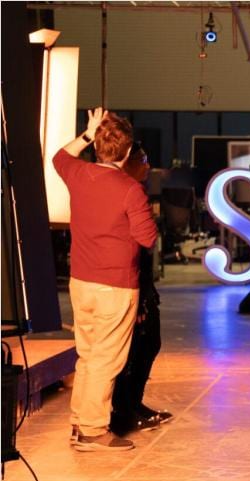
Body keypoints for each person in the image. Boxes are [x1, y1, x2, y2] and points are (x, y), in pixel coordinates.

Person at [54, 108, 157, 451]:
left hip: (81, 280)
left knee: (88, 355)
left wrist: (87, 132)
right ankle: (93, 430)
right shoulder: (130, 189)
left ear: (96, 146)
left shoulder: (79, 174)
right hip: (116, 286)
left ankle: (80, 422)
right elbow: (147, 238)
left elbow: (59, 156)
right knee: (106, 359)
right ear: (127, 152)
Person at [110, 142, 174, 435]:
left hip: (142, 281)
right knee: (137, 347)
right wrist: (139, 295)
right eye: (143, 160)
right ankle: (124, 410)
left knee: (149, 344)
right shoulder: (126, 193)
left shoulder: (134, 191)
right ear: (127, 162)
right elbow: (138, 244)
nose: (148, 166)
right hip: (131, 282)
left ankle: (132, 404)